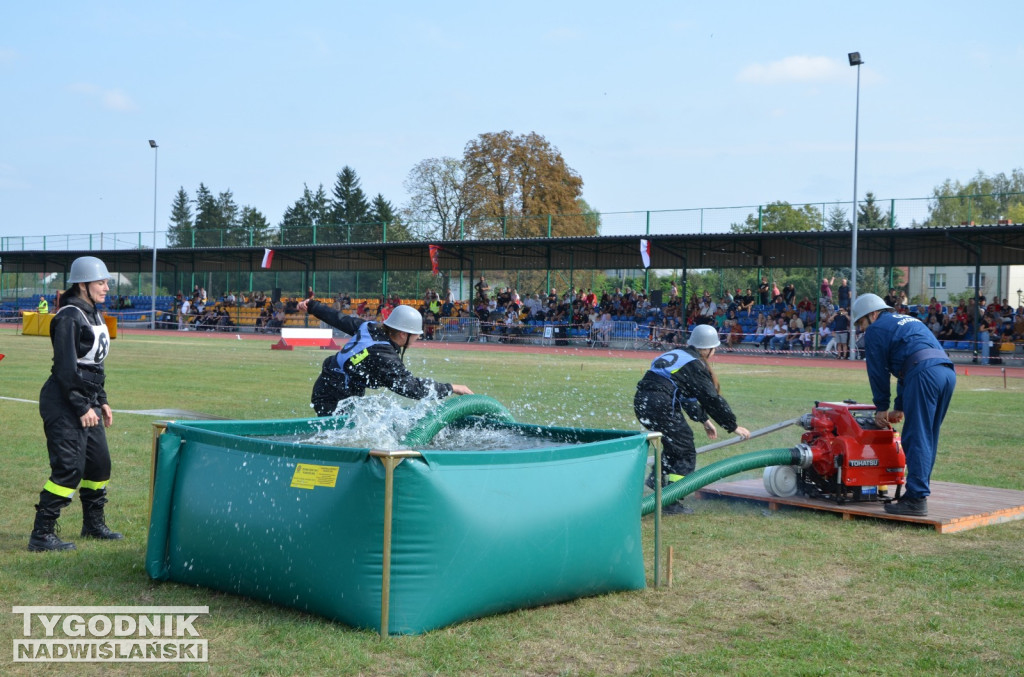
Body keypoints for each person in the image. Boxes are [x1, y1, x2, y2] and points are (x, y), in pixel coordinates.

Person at [28, 256, 122, 552]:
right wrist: (82, 407)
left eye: (107, 282)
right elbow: (66, 369)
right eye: (101, 282)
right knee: (69, 468)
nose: (107, 287)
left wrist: (102, 401)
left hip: (86, 400)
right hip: (64, 401)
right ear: (83, 284)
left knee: (99, 465)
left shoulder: (93, 313)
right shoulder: (69, 315)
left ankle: (93, 524)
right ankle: (42, 534)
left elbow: (95, 365)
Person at [852, 293, 956, 517]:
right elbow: (905, 366)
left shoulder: (877, 330)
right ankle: (917, 492)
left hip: (924, 373)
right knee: (928, 436)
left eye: (861, 322)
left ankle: (917, 499)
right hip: (945, 372)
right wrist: (899, 406)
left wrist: (881, 407)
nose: (862, 329)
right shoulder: (906, 320)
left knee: (916, 436)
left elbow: (877, 372)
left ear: (873, 314)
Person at [634, 324, 751, 515]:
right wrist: (733, 425)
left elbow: (687, 396)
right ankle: (671, 501)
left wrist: (703, 420)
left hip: (642, 402)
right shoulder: (695, 364)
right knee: (685, 451)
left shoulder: (679, 354)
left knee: (675, 444)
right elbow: (711, 398)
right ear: (708, 348)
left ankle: (657, 481)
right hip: (661, 403)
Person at [297, 298, 473, 416]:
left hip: (332, 387)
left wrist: (312, 305)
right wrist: (452, 388)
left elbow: (339, 319)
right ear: (403, 334)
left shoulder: (370, 327)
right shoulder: (383, 355)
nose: (418, 337)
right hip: (333, 397)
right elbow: (412, 388)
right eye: (415, 334)